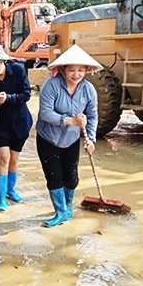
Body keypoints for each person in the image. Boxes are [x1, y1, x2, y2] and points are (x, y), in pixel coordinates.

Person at [36, 44, 100, 227]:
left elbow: (93, 115)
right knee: (54, 175)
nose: (76, 74)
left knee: (71, 176)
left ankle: (67, 206)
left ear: (87, 70)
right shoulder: (51, 85)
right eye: (71, 70)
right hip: (48, 138)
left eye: (81, 70)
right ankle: (61, 212)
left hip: (71, 139)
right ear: (63, 69)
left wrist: (92, 139)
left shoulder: (88, 90)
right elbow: (45, 113)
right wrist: (71, 120)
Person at [0, 44, 33, 212]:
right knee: (3, 158)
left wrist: (8, 98)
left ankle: (11, 190)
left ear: (3, 60)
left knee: (14, 159)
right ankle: (1, 198)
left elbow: (26, 94)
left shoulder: (17, 70)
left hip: (20, 121)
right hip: (0, 123)